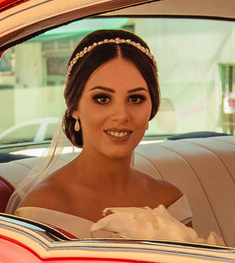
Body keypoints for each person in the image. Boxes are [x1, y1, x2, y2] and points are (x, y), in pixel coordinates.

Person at [11, 30, 204, 243]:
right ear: (75, 108)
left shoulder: (169, 200)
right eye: (102, 99)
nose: (121, 115)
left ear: (152, 107)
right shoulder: (42, 207)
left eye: (136, 98)